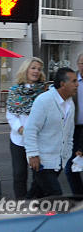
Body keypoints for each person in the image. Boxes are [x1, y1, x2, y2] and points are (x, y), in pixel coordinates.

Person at [24, 67, 80, 197]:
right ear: (62, 84)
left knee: (36, 196)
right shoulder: (44, 100)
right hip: (42, 160)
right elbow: (31, 129)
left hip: (58, 161)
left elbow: (69, 132)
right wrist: (32, 154)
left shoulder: (70, 104)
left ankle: (19, 216)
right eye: (73, 81)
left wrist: (67, 154)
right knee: (55, 195)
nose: (77, 85)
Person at [5, 57, 48, 199]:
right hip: (18, 140)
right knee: (19, 174)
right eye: (33, 68)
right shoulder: (14, 91)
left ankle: (34, 202)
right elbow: (11, 114)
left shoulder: (44, 91)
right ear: (26, 69)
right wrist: (21, 129)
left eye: (38, 69)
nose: (36, 71)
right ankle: (21, 206)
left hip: (38, 140)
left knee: (39, 176)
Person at [65, 53, 83, 195]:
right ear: (77, 64)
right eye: (82, 63)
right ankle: (78, 196)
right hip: (72, 129)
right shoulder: (71, 79)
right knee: (70, 166)